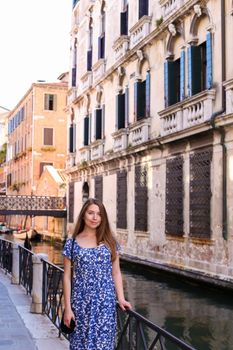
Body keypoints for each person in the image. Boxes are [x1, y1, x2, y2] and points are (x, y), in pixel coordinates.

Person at [62, 198, 131, 350]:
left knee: (103, 345)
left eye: (99, 214)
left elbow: (116, 273)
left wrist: (121, 298)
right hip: (80, 303)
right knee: (80, 345)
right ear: (83, 215)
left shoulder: (110, 241)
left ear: (103, 217)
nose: (95, 217)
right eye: (91, 213)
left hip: (105, 304)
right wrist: (68, 308)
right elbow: (66, 277)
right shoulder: (72, 243)